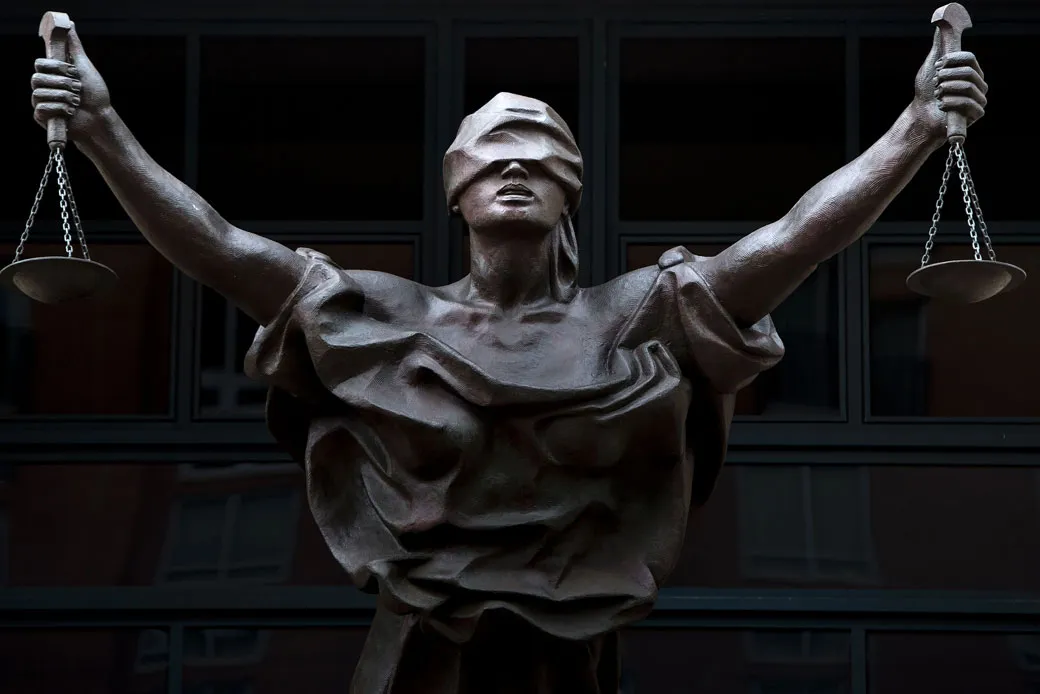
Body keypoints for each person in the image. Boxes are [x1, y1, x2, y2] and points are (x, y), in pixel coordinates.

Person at [31, 24, 988, 694]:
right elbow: (217, 246)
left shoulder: (637, 317)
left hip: (569, 656)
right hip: (414, 653)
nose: (516, 169)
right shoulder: (383, 319)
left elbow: (791, 242)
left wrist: (912, 129)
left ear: (569, 192)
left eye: (538, 157)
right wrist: (105, 129)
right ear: (459, 194)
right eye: (492, 158)